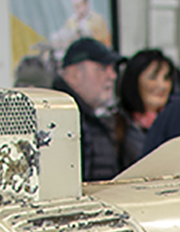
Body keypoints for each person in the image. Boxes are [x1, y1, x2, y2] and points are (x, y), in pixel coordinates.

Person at [53, 37, 138, 181]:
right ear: (74, 73)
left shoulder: (85, 117)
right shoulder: (58, 119)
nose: (112, 76)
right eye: (102, 68)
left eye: (113, 69)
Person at [115, 49, 180, 154]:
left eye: (166, 78)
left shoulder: (177, 122)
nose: (162, 86)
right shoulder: (117, 125)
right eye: (153, 77)